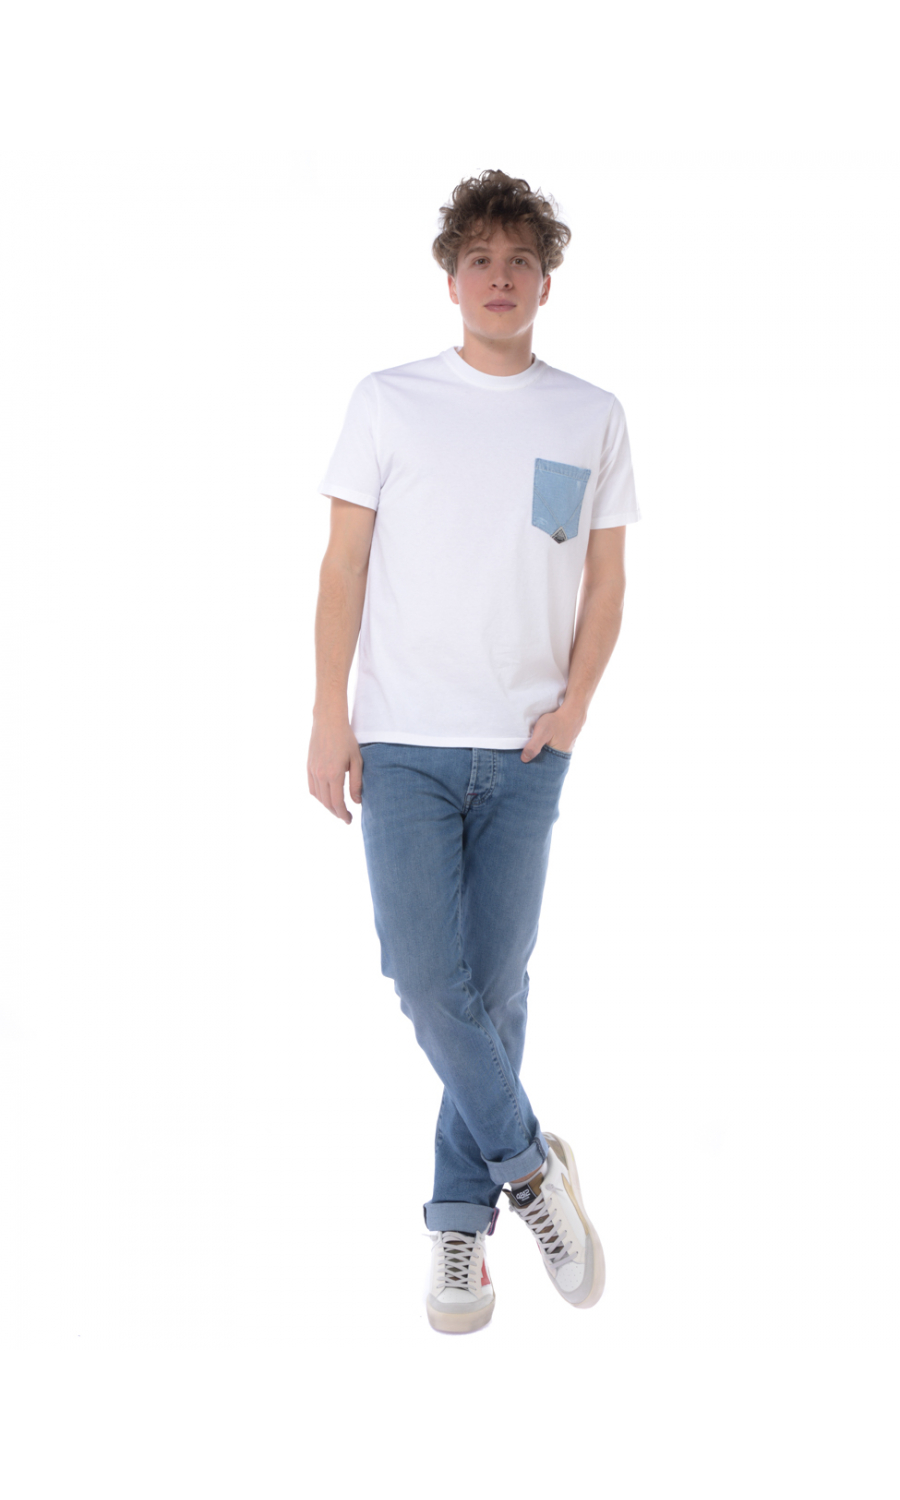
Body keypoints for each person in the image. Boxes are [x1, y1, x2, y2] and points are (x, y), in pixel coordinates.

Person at [308, 168, 641, 1334]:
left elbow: (605, 579)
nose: (501, 278)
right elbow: (344, 563)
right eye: (480, 260)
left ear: (547, 281)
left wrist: (575, 708)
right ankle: (530, 1170)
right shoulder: (389, 401)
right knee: (424, 981)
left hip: (528, 748)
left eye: (521, 261)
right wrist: (329, 713)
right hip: (402, 739)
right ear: (450, 278)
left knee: (491, 997)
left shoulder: (589, 414)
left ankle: (459, 1224)